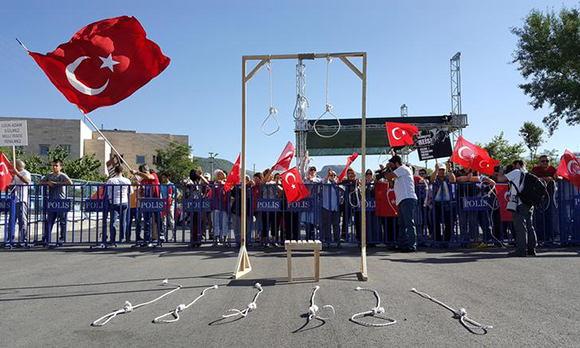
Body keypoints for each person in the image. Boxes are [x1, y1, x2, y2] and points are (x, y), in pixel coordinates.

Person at [384, 155, 418, 252]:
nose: (391, 166)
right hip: (403, 200)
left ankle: (412, 245)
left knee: (409, 223)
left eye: (392, 164)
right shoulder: (399, 172)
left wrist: (388, 168)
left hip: (407, 199)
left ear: (396, 163)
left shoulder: (402, 168)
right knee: (402, 224)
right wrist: (389, 168)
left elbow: (388, 176)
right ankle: (402, 244)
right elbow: (389, 179)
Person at [506, 159, 537, 257]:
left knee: (520, 227)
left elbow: (502, 178)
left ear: (518, 164)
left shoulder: (516, 172)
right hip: (529, 203)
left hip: (519, 203)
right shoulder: (528, 174)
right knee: (529, 226)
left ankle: (521, 250)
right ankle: (532, 249)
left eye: (513, 165)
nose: (513, 167)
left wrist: (502, 171)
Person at [38, 159, 73, 243]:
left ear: (60, 167)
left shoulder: (62, 175)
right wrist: (47, 183)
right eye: (53, 165)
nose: (54, 167)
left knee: (62, 221)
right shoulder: (49, 176)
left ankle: (62, 238)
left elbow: (70, 182)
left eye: (56, 165)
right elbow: (39, 182)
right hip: (52, 202)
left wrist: (56, 183)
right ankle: (46, 238)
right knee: (49, 220)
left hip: (61, 201)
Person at [130, 164, 163, 244]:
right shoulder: (143, 180)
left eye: (143, 172)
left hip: (155, 200)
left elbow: (149, 177)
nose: (143, 174)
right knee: (147, 220)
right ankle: (147, 238)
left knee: (158, 219)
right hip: (146, 201)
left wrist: (136, 173)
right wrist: (139, 187)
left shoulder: (153, 175)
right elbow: (141, 191)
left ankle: (161, 235)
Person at [530, 155, 557, 243]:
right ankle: (540, 238)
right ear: (539, 162)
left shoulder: (552, 169)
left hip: (550, 197)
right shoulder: (535, 170)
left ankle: (550, 237)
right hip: (539, 197)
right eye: (543, 161)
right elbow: (531, 179)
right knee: (539, 218)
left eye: (547, 161)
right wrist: (544, 179)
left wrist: (554, 178)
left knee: (550, 217)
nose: (545, 163)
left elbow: (558, 177)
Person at [429, 162, 456, 243]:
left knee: (449, 222)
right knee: (435, 222)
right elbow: (432, 180)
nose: (441, 171)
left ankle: (447, 239)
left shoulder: (448, 177)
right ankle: (438, 239)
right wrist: (435, 170)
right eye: (440, 170)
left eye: (442, 170)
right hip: (437, 204)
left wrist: (450, 171)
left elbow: (453, 180)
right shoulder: (436, 177)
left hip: (448, 204)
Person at [106, 166, 131, 244]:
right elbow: (131, 192)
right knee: (123, 221)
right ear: (122, 171)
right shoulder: (127, 180)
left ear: (115, 172)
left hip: (114, 202)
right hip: (124, 201)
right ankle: (122, 238)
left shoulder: (110, 180)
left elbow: (108, 192)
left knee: (113, 221)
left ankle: (112, 238)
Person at [9, 159, 31, 243]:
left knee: (22, 220)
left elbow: (27, 181)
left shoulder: (26, 173)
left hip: (22, 199)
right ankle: (10, 239)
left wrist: (17, 173)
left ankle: (23, 239)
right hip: (14, 200)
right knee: (12, 220)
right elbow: (11, 186)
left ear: (18, 166)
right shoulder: (14, 175)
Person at [321, 169, 340, 247]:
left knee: (336, 224)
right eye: (331, 175)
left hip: (335, 207)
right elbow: (324, 181)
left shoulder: (337, 184)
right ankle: (328, 239)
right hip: (327, 206)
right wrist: (327, 175)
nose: (333, 177)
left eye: (334, 175)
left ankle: (337, 240)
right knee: (327, 224)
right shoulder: (326, 183)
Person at [160, 172, 179, 241]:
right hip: (162, 204)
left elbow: (177, 193)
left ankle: (174, 235)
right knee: (163, 220)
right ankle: (164, 236)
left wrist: (172, 199)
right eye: (162, 177)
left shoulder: (171, 185)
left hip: (170, 204)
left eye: (164, 177)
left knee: (171, 220)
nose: (162, 179)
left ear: (167, 178)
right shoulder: (161, 185)